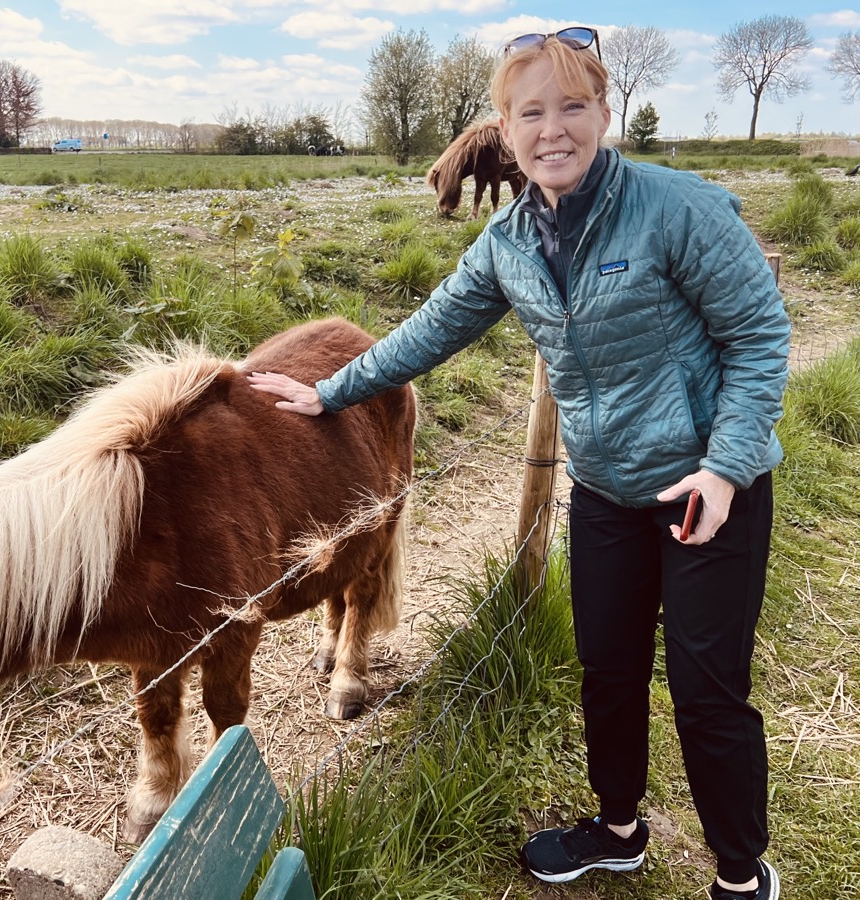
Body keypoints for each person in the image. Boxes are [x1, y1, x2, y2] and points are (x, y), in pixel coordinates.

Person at [248, 26, 788, 900]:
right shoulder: (509, 240)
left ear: (604, 113)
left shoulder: (678, 208)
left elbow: (760, 338)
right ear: (507, 128)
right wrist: (329, 393)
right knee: (607, 665)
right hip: (608, 492)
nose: (554, 130)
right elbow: (430, 329)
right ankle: (618, 831)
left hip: (706, 491)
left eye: (573, 107)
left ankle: (739, 872)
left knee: (705, 686)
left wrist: (726, 468)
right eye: (531, 112)